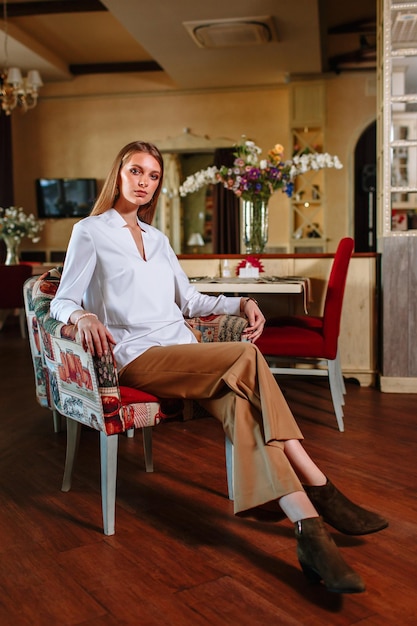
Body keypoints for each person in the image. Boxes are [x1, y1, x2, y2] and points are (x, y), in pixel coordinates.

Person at [50, 140, 388, 594]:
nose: (144, 182)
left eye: (153, 176)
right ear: (119, 173)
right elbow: (62, 299)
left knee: (243, 409)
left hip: (185, 351)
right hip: (138, 358)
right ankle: (320, 483)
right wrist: (84, 315)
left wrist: (242, 300)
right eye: (136, 171)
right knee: (246, 354)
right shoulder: (90, 231)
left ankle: (310, 532)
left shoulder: (158, 239)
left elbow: (190, 300)